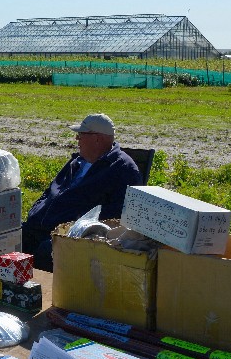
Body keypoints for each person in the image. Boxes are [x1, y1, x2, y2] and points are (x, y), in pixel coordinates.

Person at [21, 113, 141, 271]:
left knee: (46, 251)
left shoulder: (122, 169)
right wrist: (37, 208)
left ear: (97, 139)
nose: (77, 139)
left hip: (71, 235)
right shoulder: (78, 161)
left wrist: (77, 225)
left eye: (81, 135)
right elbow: (51, 190)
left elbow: (120, 213)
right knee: (7, 238)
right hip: (41, 225)